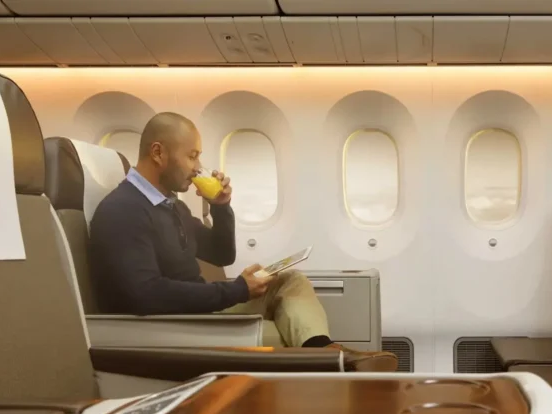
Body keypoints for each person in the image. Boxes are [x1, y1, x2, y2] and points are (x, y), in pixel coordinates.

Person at [89, 112, 398, 372]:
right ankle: (330, 363)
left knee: (289, 280)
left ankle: (324, 353)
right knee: (275, 312)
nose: (198, 167)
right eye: (192, 155)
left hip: (191, 311)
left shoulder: (172, 207)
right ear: (158, 153)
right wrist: (236, 290)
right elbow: (146, 295)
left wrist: (221, 206)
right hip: (169, 323)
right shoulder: (123, 211)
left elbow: (221, 253)